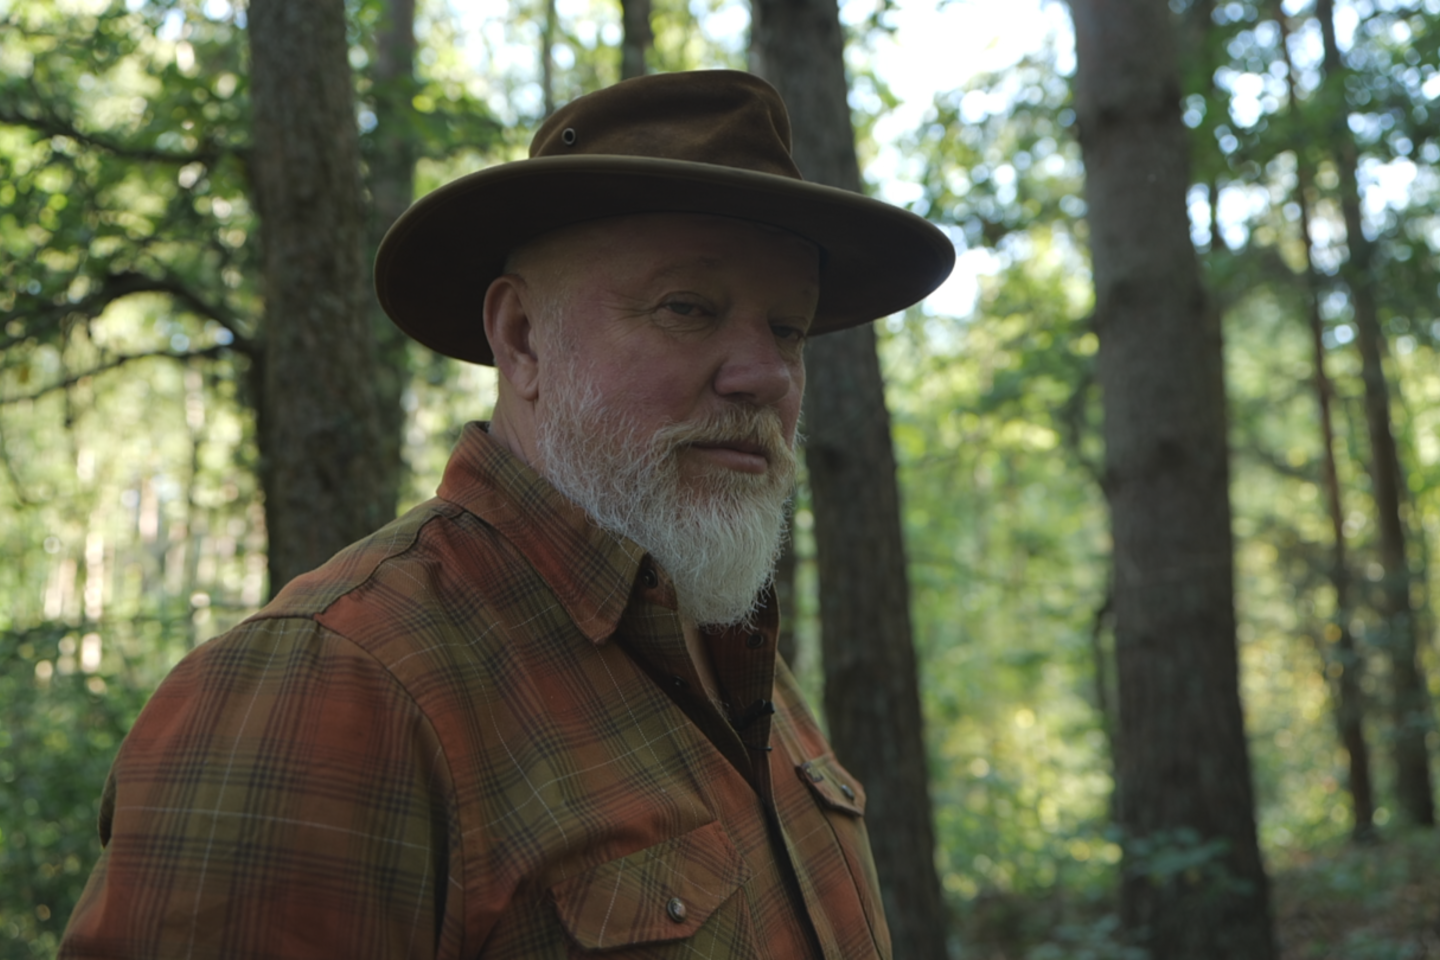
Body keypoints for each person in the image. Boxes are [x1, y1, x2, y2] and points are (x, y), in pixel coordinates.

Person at [60, 70, 953, 959]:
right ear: (522, 338)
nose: (765, 375)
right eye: (688, 307)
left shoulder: (733, 653)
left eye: (788, 329)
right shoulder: (335, 684)